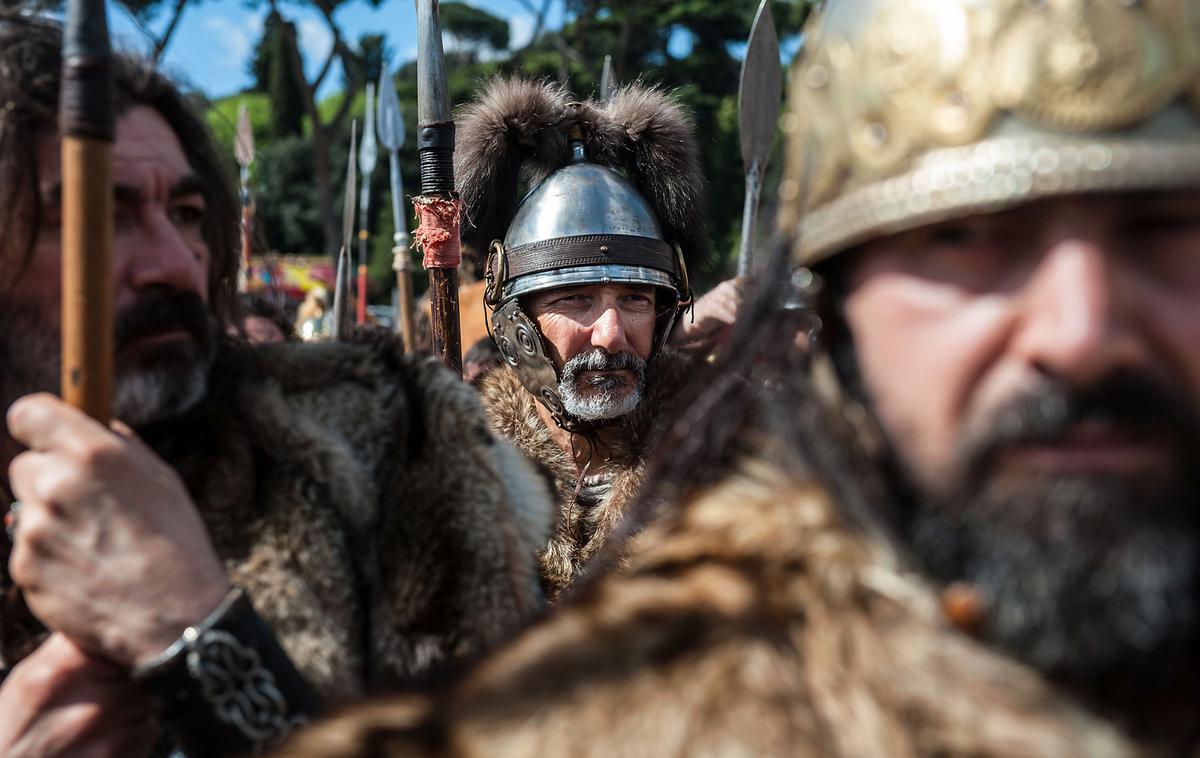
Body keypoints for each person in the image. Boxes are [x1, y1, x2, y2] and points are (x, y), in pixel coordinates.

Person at [279, 0, 1200, 754]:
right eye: (962, 241)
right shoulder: (433, 478)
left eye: (1166, 229)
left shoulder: (736, 467)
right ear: (515, 319)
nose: (1083, 331)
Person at [0, 14, 550, 756]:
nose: (174, 261)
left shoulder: (389, 449)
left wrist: (203, 649)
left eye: (187, 213)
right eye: (102, 212)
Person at [456, 78, 710, 601]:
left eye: (636, 300)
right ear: (517, 320)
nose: (612, 333)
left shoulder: (722, 445)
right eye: (575, 301)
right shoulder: (463, 463)